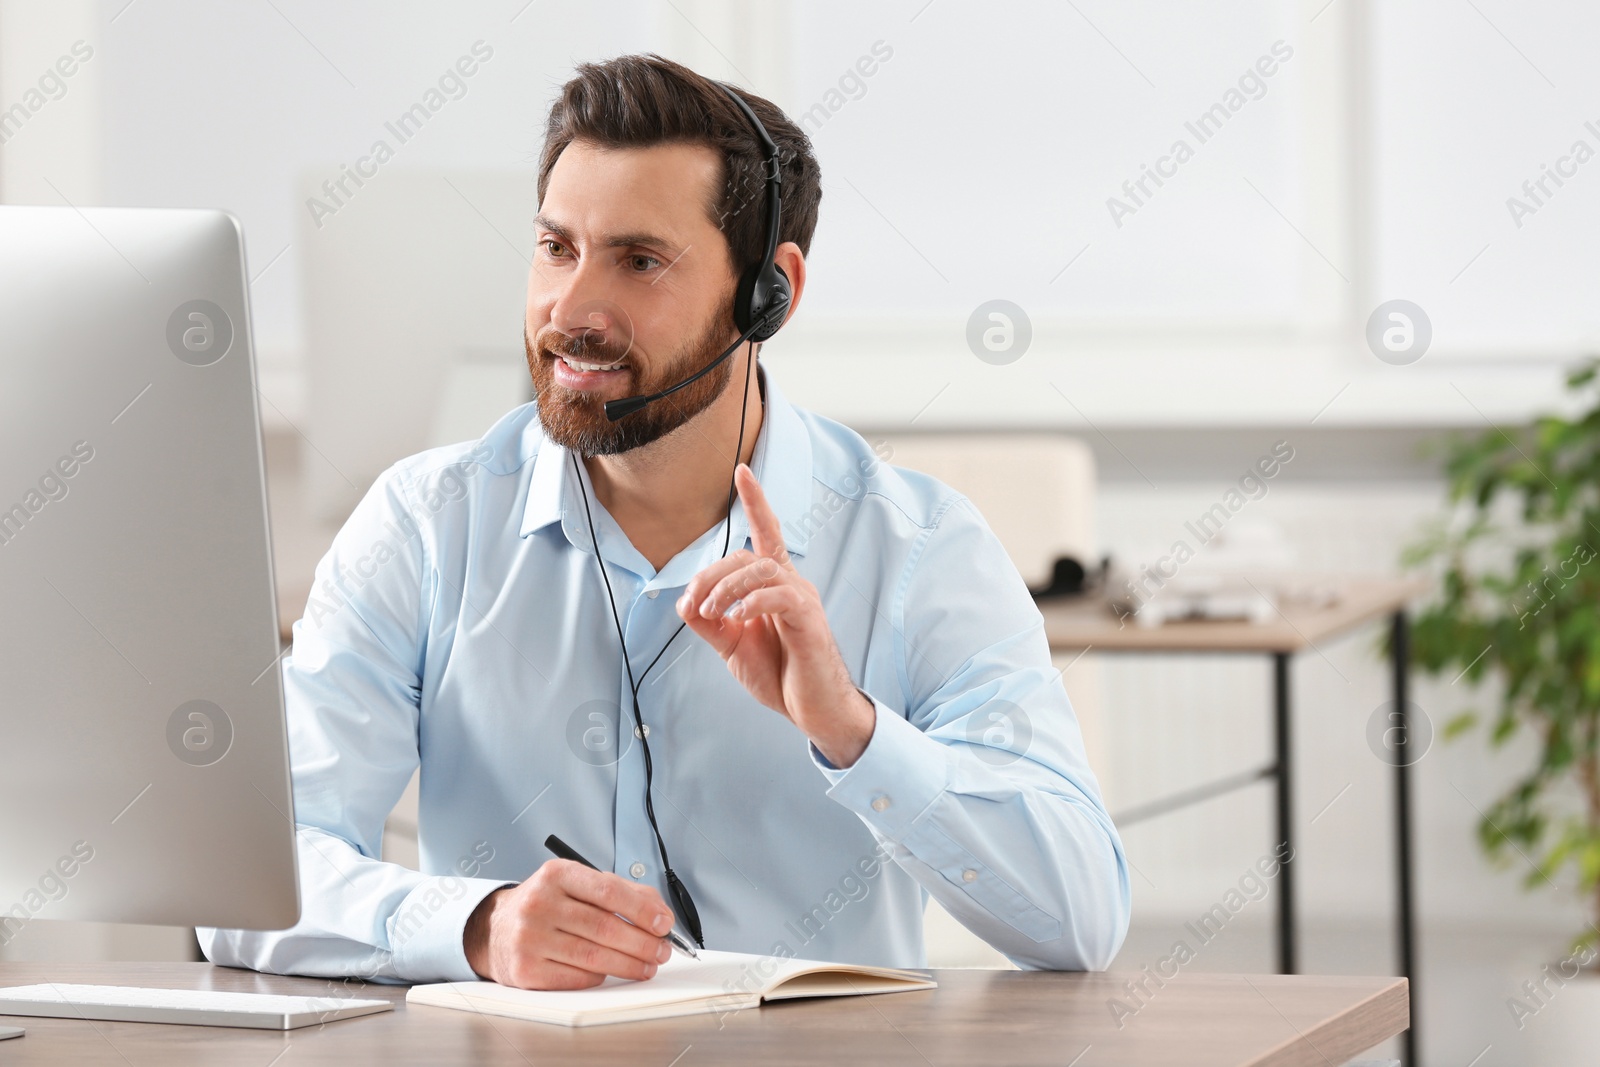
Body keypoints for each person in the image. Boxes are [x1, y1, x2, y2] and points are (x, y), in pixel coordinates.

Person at [202, 53, 1129, 990]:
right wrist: (474, 926)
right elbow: (248, 881)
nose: (571, 310)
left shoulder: (919, 547)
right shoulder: (425, 524)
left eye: (640, 260)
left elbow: (1078, 918)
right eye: (557, 248)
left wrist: (853, 729)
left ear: (770, 292)